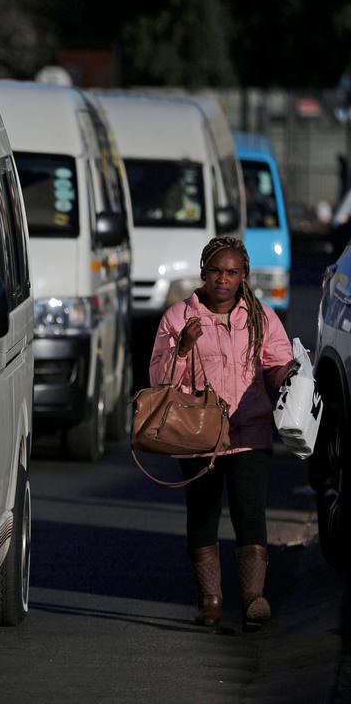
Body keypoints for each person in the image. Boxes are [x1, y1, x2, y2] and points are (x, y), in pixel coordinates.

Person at [148, 236, 296, 630]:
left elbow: (277, 363)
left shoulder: (261, 317)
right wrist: (182, 348)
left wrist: (289, 376)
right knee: (203, 515)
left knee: (250, 514)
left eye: (231, 272)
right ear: (204, 272)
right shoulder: (178, 318)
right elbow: (159, 381)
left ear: (243, 275)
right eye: (216, 271)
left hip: (250, 432)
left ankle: (252, 598)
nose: (223, 280)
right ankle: (211, 600)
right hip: (198, 436)